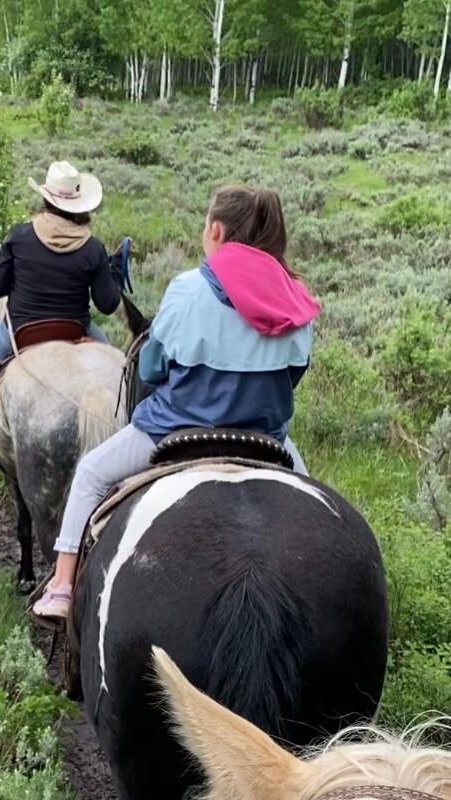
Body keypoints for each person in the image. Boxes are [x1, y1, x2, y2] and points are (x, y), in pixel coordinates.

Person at [32, 186, 321, 620]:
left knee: (90, 473)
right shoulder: (294, 295)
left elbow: (151, 368)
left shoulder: (188, 288)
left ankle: (61, 587)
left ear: (215, 230)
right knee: (314, 508)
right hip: (265, 436)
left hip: (174, 429)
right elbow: (294, 374)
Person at [0, 160, 123, 476]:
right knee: (121, 373)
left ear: (46, 199)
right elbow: (107, 304)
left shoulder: (20, 236)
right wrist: (113, 273)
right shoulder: (93, 248)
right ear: (80, 207)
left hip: (21, 330)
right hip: (76, 330)